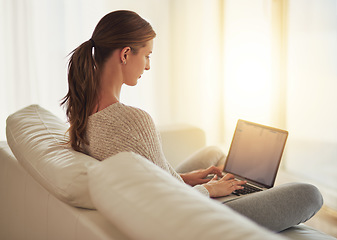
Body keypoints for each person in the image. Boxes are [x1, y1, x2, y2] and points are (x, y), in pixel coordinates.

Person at [61, 10, 323, 232]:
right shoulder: (132, 120)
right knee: (310, 194)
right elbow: (166, 202)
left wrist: (187, 178)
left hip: (161, 196)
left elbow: (154, 178)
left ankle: (224, 184)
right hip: (187, 217)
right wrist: (210, 191)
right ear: (126, 54)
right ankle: (229, 190)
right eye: (148, 55)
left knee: (213, 153)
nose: (148, 66)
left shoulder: (83, 109)